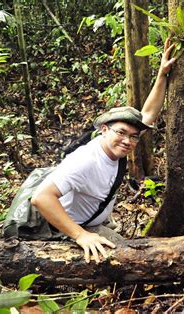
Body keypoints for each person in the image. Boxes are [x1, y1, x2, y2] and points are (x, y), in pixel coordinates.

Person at [31, 38, 176, 263]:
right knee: (127, 260)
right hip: (64, 229)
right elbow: (41, 198)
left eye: (134, 136)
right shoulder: (86, 160)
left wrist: (162, 74)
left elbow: (148, 114)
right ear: (104, 130)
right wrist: (81, 236)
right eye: (121, 133)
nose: (128, 141)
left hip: (94, 220)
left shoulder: (118, 145)